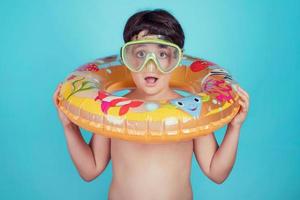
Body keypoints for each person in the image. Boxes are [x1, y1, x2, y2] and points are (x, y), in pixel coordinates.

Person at [53, 9, 250, 200]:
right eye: (140, 54)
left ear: (176, 60)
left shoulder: (191, 109)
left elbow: (217, 173)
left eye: (162, 54)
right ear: (127, 59)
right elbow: (90, 170)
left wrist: (234, 127)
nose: (150, 64)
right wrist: (69, 127)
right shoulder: (113, 108)